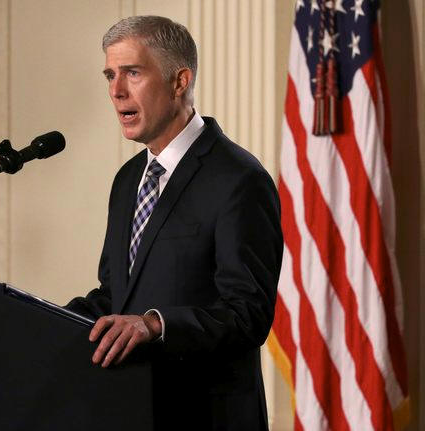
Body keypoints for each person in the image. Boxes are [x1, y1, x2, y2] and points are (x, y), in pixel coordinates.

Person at [66, 15, 283, 430]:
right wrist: (37, 318)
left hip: (206, 416)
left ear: (179, 81)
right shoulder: (128, 180)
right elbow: (116, 297)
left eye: (132, 72)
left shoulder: (239, 179)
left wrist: (155, 324)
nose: (116, 90)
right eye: (110, 75)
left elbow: (248, 313)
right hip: (133, 411)